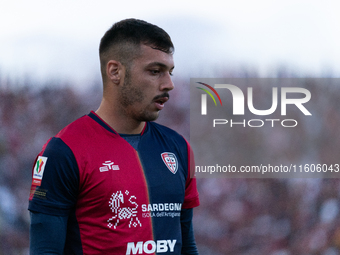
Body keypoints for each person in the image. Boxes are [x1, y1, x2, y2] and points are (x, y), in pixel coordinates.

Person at [28, 18, 200, 254]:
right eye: (155, 71)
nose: (169, 84)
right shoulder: (64, 151)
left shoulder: (179, 148)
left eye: (169, 72)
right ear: (115, 72)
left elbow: (187, 246)